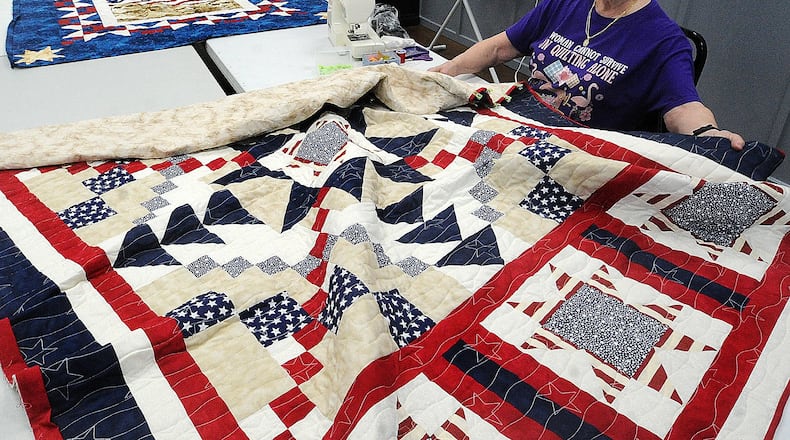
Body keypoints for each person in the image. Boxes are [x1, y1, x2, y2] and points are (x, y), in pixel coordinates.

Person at [428, 0, 746, 150]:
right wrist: (445, 71)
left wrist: (706, 133)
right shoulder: (564, 3)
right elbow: (499, 47)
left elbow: (683, 107)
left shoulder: (663, 40)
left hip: (576, 150)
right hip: (517, 125)